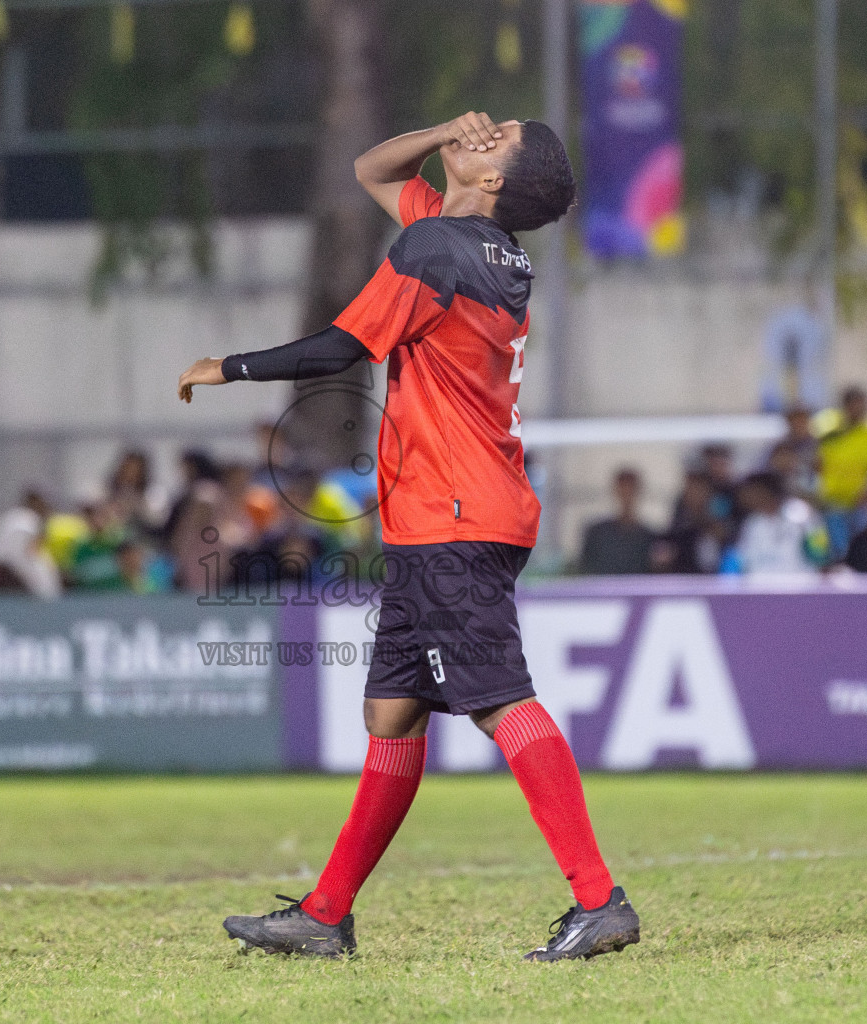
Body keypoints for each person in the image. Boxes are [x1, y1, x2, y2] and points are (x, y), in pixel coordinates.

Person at [178, 111, 637, 961]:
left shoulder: (436, 250)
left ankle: (599, 897)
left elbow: (338, 352)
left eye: (493, 138)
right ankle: (325, 915)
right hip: (454, 512)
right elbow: (370, 169)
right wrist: (441, 133)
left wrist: (228, 367)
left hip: (454, 516)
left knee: (500, 698)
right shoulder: (475, 248)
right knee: (392, 713)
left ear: (494, 181)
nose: (479, 130)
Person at [815, 385, 867, 550]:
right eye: (854, 404)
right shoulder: (828, 429)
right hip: (832, 501)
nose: (859, 409)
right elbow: (817, 462)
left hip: (862, 502)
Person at [732, 471, 825, 577]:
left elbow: (820, 553)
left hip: (799, 585)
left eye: (751, 491)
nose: (745, 496)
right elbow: (741, 559)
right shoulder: (752, 523)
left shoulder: (802, 513)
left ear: (764, 490)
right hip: (760, 588)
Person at [0, 489, 61, 599]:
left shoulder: (11, 517)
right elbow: (25, 555)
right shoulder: (27, 520)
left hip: (4, 582)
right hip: (11, 583)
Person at [579, 467, 655, 575]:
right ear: (616, 491)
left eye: (630, 491)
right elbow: (585, 569)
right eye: (623, 490)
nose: (626, 496)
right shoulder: (597, 533)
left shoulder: (649, 537)